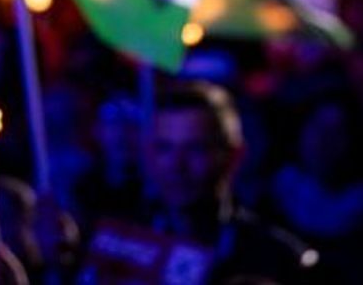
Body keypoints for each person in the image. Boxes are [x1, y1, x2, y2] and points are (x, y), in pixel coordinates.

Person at [110, 79, 320, 284]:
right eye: (164, 148)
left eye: (195, 149)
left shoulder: (277, 259)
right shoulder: (116, 243)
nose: (176, 165)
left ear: (234, 156)